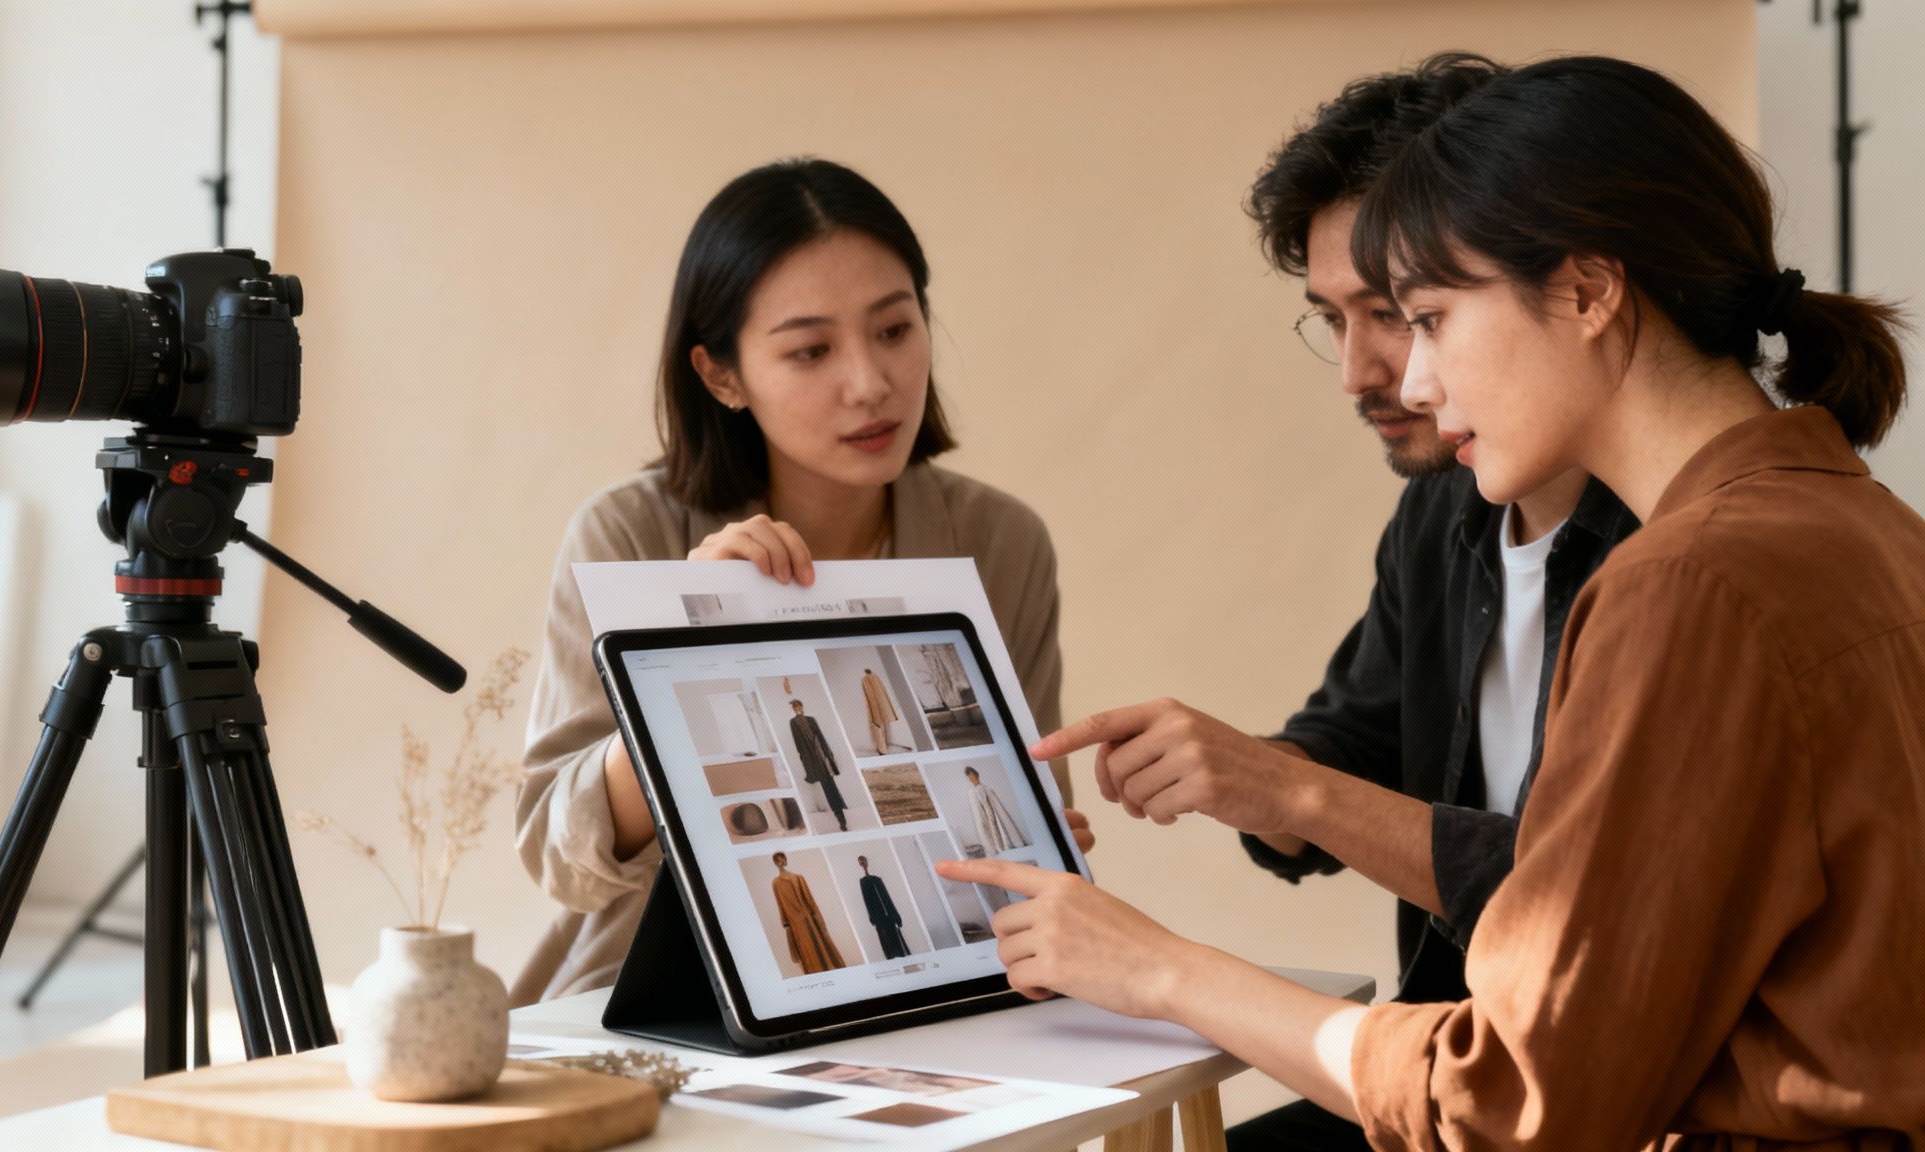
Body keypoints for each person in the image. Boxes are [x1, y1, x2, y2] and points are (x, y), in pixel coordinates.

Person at [946, 54, 1925, 1147]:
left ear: (1587, 291)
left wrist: (1161, 971)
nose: (1406, 381)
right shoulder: (1868, 527)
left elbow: (1511, 1100)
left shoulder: (1684, 582)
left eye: (1427, 316)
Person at [1166, 53, 1642, 1148]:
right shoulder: (1439, 517)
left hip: (1549, 1094)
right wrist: (1229, 773)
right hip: (1443, 1061)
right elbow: (1353, 745)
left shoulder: (1678, 554)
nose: (1364, 371)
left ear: (1571, 284)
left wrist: (1288, 810)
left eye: (1400, 313)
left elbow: (1568, 907)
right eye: (1327, 318)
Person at [512, 157, 1089, 1005]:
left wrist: (1044, 834)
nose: (871, 382)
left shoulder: (1002, 543)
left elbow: (1029, 824)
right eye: (811, 349)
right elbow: (560, 861)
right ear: (721, 375)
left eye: (895, 329)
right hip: (669, 996)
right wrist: (680, 645)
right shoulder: (626, 533)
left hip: (948, 980)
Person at [787, 699, 851, 830]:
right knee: (828, 786)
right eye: (795, 707)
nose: (797, 709)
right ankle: (841, 818)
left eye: (798, 706)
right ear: (793, 709)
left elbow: (821, 737)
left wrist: (828, 754)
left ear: (802, 707)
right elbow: (798, 743)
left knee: (830, 785)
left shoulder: (811, 719)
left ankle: (841, 818)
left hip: (822, 756)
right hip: (811, 759)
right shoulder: (793, 722)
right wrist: (805, 761)